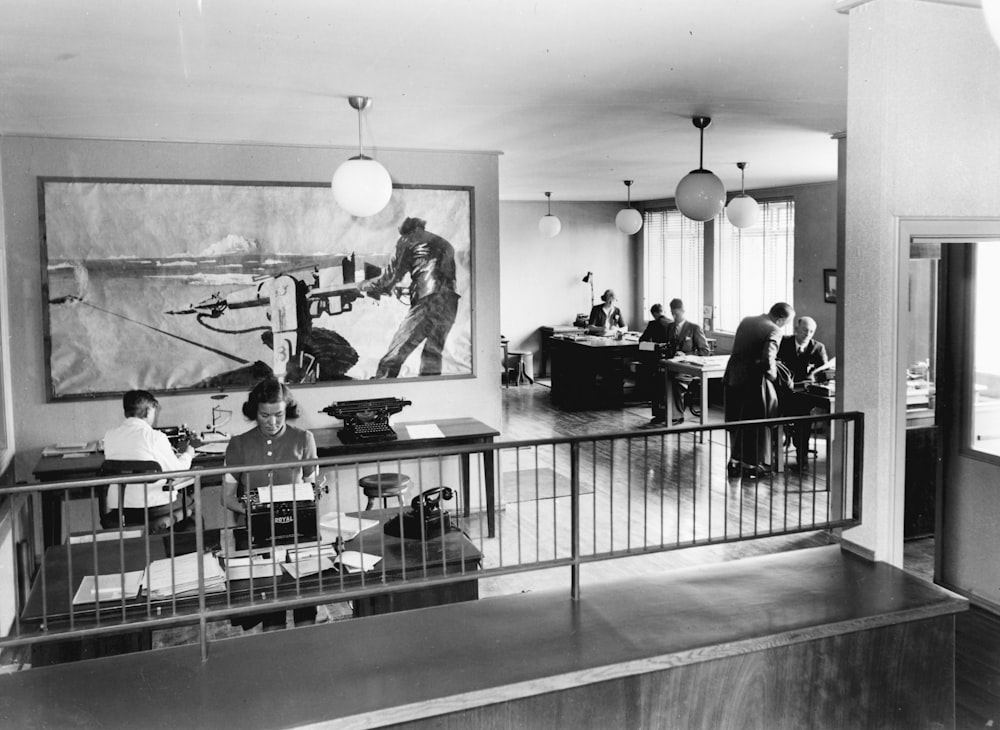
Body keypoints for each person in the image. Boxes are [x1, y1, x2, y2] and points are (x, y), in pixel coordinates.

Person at [223, 377, 318, 630]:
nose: (273, 422)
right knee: (272, 609)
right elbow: (228, 497)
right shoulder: (239, 444)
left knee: (305, 606)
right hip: (258, 534)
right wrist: (256, 511)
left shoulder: (304, 439)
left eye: (279, 415)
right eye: (265, 415)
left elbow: (313, 488)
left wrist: (313, 495)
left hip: (297, 530)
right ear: (255, 412)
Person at [359, 216, 459, 378]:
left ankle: (380, 388)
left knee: (396, 352)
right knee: (432, 355)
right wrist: (409, 288)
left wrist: (362, 285)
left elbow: (389, 278)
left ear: (406, 230)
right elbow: (435, 274)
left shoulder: (407, 240)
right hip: (450, 302)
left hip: (429, 302)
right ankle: (428, 392)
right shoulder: (443, 242)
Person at [722, 302, 795, 479]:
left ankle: (735, 462)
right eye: (786, 322)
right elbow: (767, 360)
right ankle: (752, 465)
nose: (785, 326)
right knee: (756, 425)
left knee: (737, 424)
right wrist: (774, 377)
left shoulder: (747, 320)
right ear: (780, 319)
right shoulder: (774, 330)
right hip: (753, 383)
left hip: (733, 377)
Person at [102, 390, 195, 525]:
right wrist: (189, 454)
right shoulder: (155, 437)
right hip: (153, 507)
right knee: (192, 506)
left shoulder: (109, 436)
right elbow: (178, 472)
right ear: (149, 411)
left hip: (120, 508)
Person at [776, 316, 829, 472]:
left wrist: (820, 376)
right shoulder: (783, 343)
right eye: (805, 330)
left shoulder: (817, 348)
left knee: (803, 417)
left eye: (811, 331)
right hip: (784, 392)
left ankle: (802, 458)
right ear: (796, 329)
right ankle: (774, 456)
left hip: (806, 393)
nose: (808, 334)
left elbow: (824, 373)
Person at [660, 298, 711, 425]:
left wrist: (686, 355)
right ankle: (663, 413)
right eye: (672, 313)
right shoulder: (670, 327)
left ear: (683, 311)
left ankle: (676, 416)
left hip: (689, 368)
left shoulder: (694, 328)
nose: (674, 316)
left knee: (674, 380)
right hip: (673, 365)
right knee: (659, 376)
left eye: (676, 313)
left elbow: (705, 351)